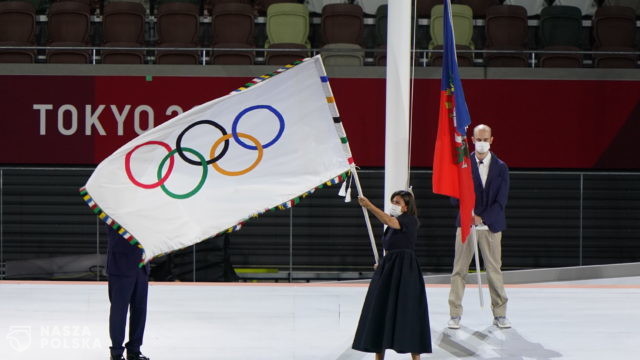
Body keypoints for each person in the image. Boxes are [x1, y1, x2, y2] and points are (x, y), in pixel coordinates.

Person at [352, 190, 432, 360]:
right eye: (393, 201)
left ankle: (415, 357)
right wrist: (383, 263)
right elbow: (392, 243)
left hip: (405, 270)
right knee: (380, 309)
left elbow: (388, 220)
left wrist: (369, 205)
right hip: (390, 268)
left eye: (397, 202)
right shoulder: (392, 226)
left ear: (406, 207)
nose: (394, 205)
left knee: (407, 311)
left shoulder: (410, 220)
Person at [447, 124, 511, 330]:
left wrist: (482, 217)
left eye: (486, 139)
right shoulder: (462, 164)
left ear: (491, 140)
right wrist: (470, 215)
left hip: (491, 226)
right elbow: (453, 197)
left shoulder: (501, 167)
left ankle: (500, 314)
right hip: (466, 224)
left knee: (494, 270)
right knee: (459, 270)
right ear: (472, 140)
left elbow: (501, 201)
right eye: (478, 139)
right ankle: (455, 314)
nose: (482, 142)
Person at [106, 226, 151, 360]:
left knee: (140, 309)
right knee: (119, 311)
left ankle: (134, 350)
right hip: (121, 263)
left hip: (142, 264)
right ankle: (116, 353)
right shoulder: (113, 207)